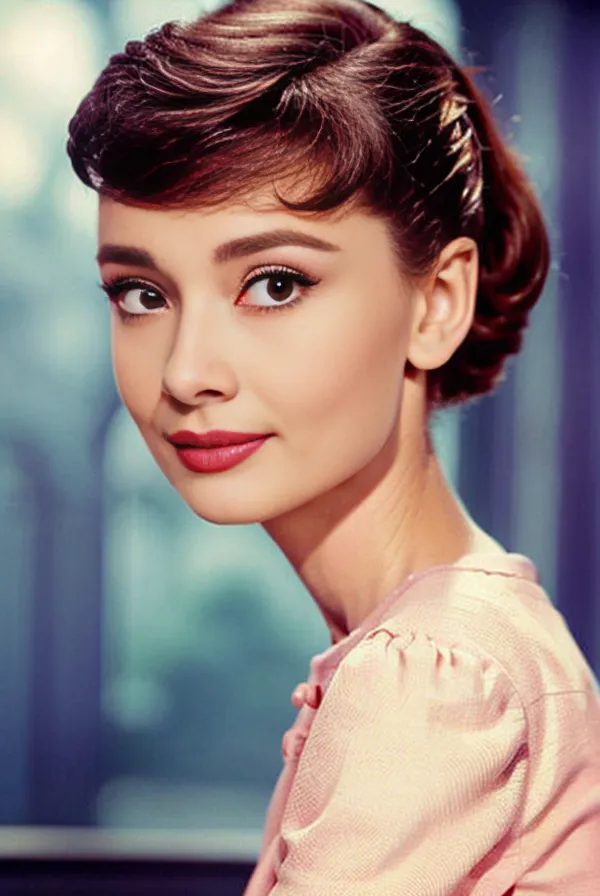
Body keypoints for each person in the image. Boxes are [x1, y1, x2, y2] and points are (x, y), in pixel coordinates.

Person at [66, 0, 600, 890]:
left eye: (275, 283)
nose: (187, 372)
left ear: (436, 303)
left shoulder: (434, 679)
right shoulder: (453, 640)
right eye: (141, 294)